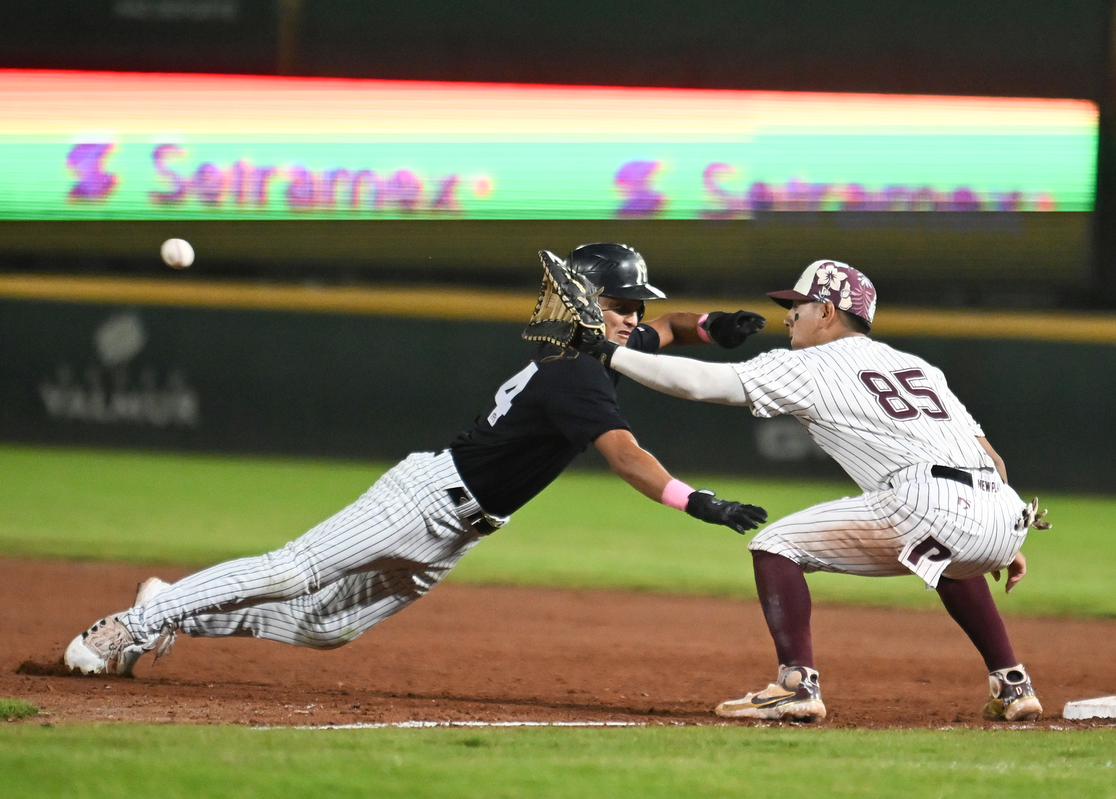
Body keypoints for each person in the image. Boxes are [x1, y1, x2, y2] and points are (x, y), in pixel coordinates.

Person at [64, 243, 769, 676]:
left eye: (633, 304)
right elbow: (626, 456)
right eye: (620, 302)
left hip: (461, 526)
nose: (632, 315)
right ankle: (124, 627)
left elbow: (669, 329)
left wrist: (714, 326)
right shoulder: (575, 373)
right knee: (293, 569)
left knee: (326, 627)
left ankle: (168, 606)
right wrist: (697, 500)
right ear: (586, 300)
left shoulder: (603, 348)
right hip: (427, 496)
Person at [585, 259, 1050, 723]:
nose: (788, 317)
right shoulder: (917, 367)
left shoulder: (809, 364)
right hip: (1003, 512)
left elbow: (697, 383)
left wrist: (605, 349)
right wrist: (993, 535)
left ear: (827, 313)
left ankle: (796, 684)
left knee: (775, 545)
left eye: (798, 306)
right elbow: (994, 461)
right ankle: (1013, 684)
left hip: (928, 502)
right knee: (948, 560)